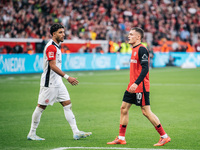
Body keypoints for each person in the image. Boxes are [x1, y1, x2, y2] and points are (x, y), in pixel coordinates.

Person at [107, 27, 171, 146]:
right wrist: (133, 83)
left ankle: (164, 136)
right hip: (132, 85)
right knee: (123, 108)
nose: (128, 36)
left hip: (140, 86)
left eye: (131, 34)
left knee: (146, 112)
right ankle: (121, 138)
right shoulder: (134, 49)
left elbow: (145, 68)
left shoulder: (142, 49)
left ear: (138, 37)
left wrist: (136, 83)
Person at [27, 23, 92, 141]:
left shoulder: (57, 46)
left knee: (67, 104)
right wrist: (68, 77)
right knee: (41, 107)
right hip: (49, 83)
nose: (63, 34)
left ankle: (76, 132)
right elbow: (52, 66)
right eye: (60, 32)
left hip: (58, 83)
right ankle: (32, 133)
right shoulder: (51, 47)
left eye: (63, 32)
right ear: (53, 34)